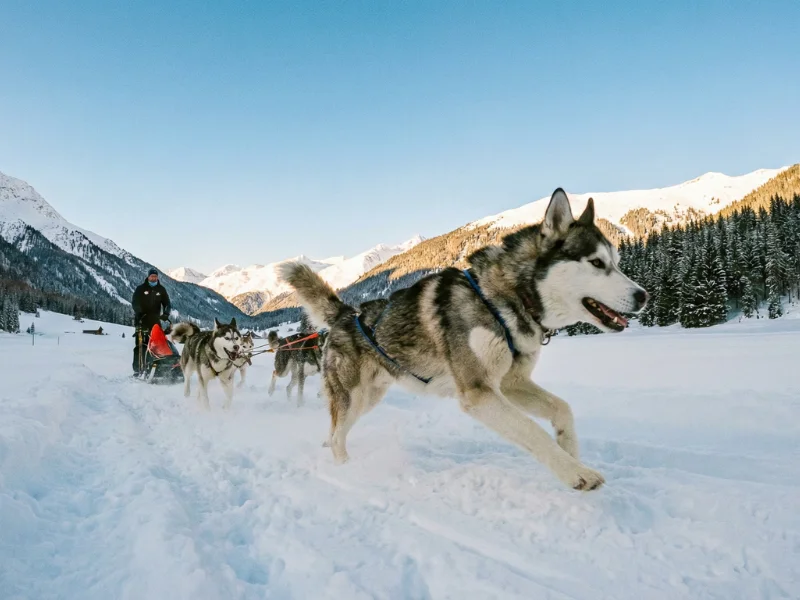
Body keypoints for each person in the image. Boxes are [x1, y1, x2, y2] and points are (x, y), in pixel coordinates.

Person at [131, 268, 171, 375]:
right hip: (141, 320)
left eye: (155, 276)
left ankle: (157, 368)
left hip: (155, 321)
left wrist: (166, 314)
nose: (153, 278)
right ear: (148, 277)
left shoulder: (161, 289)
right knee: (141, 345)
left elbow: (167, 303)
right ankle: (139, 369)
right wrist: (139, 312)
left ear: (157, 277)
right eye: (152, 276)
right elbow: (135, 302)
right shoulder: (141, 288)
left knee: (158, 344)